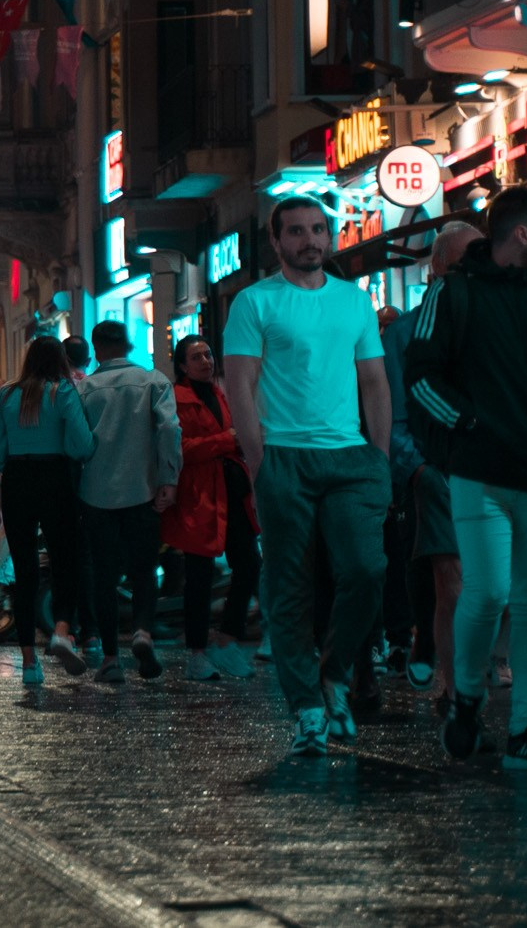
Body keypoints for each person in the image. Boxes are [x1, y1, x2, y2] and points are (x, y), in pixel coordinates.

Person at [407, 187, 527, 771]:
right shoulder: (453, 293)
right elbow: (421, 376)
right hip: (482, 474)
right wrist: (470, 427)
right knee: (488, 592)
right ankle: (467, 697)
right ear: (521, 234)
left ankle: (525, 731)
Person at [222, 196, 391, 757]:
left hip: (350, 458)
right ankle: (309, 710)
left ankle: (334, 671)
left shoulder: (355, 300)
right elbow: (240, 385)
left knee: (366, 569)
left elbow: (374, 382)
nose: (310, 240)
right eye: (296, 231)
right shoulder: (255, 302)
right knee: (289, 588)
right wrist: (259, 461)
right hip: (285, 456)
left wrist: (379, 458)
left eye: (318, 229)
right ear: (276, 241)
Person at [392, 223, 476, 704]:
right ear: (438, 270)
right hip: (435, 471)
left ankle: (461, 669)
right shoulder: (404, 333)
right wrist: (419, 470)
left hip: (487, 469)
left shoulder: (491, 319)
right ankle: (455, 684)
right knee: (451, 579)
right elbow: (393, 416)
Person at [78, 321, 182, 681]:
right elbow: (169, 428)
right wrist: (168, 477)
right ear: (128, 344)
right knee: (143, 569)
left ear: (96, 348)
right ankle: (142, 630)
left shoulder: (84, 389)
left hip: (96, 495)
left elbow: (76, 442)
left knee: (104, 577)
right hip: (143, 490)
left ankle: (110, 657)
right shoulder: (153, 381)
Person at [0, 339, 95, 684]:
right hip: (55, 477)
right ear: (61, 360)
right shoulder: (62, 391)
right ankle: (62, 630)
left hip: (17, 478)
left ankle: (29, 661)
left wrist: (8, 464)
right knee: (65, 560)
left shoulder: (6, 394)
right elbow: (82, 443)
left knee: (24, 569)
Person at [165, 335, 257, 680]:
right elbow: (180, 448)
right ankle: (198, 652)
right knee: (199, 575)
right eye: (197, 357)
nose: (206, 361)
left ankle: (227, 638)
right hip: (200, 494)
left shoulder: (219, 393)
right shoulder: (177, 398)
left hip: (232, 492)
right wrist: (227, 440)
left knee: (249, 564)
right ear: (182, 365)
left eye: (208, 354)